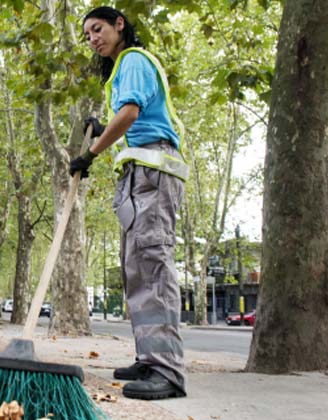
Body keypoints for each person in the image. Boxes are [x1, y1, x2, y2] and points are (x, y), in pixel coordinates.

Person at [73, 6, 189, 400]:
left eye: (98, 29)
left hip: (154, 174)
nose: (93, 38)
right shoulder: (121, 70)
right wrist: (105, 130)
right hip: (138, 176)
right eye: (87, 34)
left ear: (119, 24)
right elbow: (128, 120)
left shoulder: (133, 60)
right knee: (136, 269)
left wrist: (92, 151)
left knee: (153, 267)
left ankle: (168, 372)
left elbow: (131, 113)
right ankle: (150, 357)